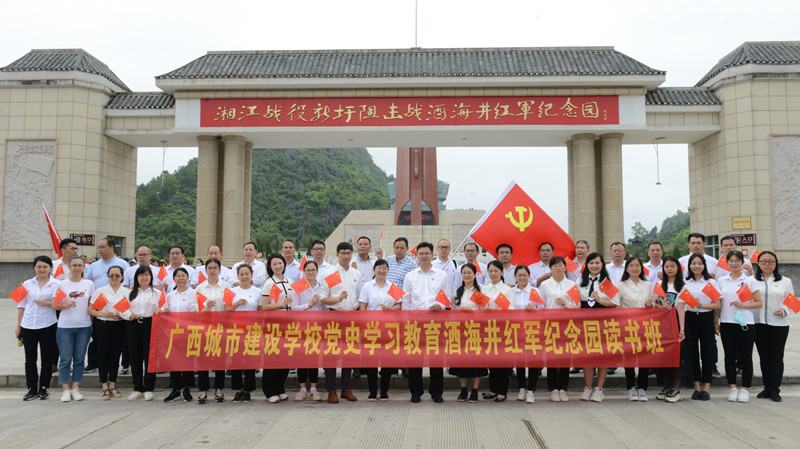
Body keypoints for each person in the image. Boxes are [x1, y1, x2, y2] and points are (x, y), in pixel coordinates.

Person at [403, 242, 450, 403]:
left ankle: (436, 392)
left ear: (432, 255)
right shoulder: (410, 276)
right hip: (415, 322)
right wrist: (406, 321)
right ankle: (416, 392)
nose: (424, 256)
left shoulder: (441, 275)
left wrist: (441, 305)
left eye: (426, 253)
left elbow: (447, 296)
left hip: (435, 322)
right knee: (415, 359)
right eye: (420, 253)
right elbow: (406, 299)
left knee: (436, 358)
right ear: (416, 256)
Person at [716, 250, 763, 403]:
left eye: (737, 261)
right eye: (731, 261)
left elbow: (759, 303)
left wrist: (742, 305)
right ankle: (733, 387)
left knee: (746, 357)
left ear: (743, 263)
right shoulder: (722, 280)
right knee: (729, 357)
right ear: (727, 263)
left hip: (746, 324)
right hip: (727, 322)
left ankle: (745, 389)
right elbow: (719, 303)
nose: (734, 263)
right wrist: (716, 320)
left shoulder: (750, 280)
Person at [321, 242, 362, 403]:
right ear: (337, 254)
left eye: (349, 252)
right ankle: (331, 390)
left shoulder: (356, 274)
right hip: (334, 317)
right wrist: (337, 299)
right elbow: (324, 298)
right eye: (343, 252)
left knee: (349, 354)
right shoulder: (331, 274)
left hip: (352, 317)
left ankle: (346, 388)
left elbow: (359, 297)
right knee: (331, 354)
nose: (346, 256)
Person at [677, 253, 721, 401]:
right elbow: (682, 306)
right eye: (693, 263)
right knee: (693, 354)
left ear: (704, 265)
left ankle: (707, 387)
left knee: (707, 354)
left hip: (706, 318)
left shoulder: (709, 283)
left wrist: (701, 305)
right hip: (690, 319)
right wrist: (682, 328)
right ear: (689, 266)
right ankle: (696, 387)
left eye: (699, 263)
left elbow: (717, 304)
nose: (696, 266)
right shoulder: (685, 283)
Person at [576, 252, 618, 403]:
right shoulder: (580, 281)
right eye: (591, 263)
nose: (594, 266)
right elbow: (575, 302)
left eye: (597, 263)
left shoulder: (606, 283)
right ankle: (588, 387)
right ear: (586, 265)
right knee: (587, 356)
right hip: (585, 324)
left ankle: (599, 389)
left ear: (602, 265)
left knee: (602, 355)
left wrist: (600, 299)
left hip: (603, 323)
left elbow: (615, 302)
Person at [53, 256, 95, 402]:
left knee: (79, 359)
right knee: (65, 359)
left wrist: (92, 325)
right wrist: (65, 305)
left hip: (84, 326)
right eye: (74, 265)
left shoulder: (89, 284)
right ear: (69, 267)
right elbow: (55, 305)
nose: (77, 268)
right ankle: (65, 389)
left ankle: (76, 388)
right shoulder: (61, 284)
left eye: (80, 265)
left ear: (84, 267)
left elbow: (92, 304)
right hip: (65, 326)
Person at [752, 251, 793, 402]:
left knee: (776, 356)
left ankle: (775, 389)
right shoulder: (752, 281)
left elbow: (791, 301)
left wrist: (783, 310)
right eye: (764, 261)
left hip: (779, 324)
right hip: (759, 323)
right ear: (758, 263)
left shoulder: (785, 281)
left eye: (771, 261)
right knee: (764, 357)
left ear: (776, 264)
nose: (767, 264)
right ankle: (766, 388)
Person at [16, 255, 59, 401]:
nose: (42, 269)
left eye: (45, 267)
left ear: (50, 268)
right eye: (39, 267)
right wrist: (18, 327)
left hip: (48, 324)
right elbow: (21, 305)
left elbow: (59, 304)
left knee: (46, 358)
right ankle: (31, 388)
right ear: (34, 267)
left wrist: (46, 303)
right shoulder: (27, 283)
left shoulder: (57, 283)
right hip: (28, 325)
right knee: (30, 359)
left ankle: (44, 387)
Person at [358, 259, 401, 401]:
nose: (382, 270)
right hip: (372, 328)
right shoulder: (367, 286)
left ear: (388, 270)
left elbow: (400, 304)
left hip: (389, 328)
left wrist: (391, 309)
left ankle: (384, 391)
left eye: (384, 268)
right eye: (379, 268)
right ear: (374, 270)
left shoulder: (393, 286)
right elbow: (363, 305)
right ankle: (372, 391)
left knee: (387, 361)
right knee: (372, 361)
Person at [83, 237, 128, 374]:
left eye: (102, 247)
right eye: (98, 247)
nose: (99, 250)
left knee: (120, 340)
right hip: (99, 302)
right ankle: (93, 362)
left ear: (111, 247)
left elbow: (128, 284)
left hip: (118, 302)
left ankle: (124, 364)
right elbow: (88, 282)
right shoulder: (93, 266)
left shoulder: (123, 264)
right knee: (96, 336)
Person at [538, 257, 578, 402]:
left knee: (566, 358)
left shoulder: (572, 284)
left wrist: (566, 303)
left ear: (565, 267)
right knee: (552, 358)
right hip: (550, 325)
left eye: (561, 265)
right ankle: (554, 388)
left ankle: (563, 388)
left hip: (567, 325)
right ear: (551, 268)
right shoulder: (544, 285)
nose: (558, 268)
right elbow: (541, 306)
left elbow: (577, 305)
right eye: (555, 266)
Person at [88, 265, 129, 400]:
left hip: (119, 326)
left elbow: (129, 311)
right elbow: (92, 310)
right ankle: (104, 386)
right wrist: (103, 313)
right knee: (102, 355)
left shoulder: (126, 292)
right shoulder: (101, 291)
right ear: (108, 276)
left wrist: (120, 315)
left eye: (117, 275)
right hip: (103, 325)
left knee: (115, 355)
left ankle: (113, 385)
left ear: (122, 277)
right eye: (111, 275)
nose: (114, 278)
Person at [618, 256, 656, 402]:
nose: (634, 268)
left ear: (641, 268)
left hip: (645, 326)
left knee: (644, 357)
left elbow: (654, 303)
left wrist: (650, 305)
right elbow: (616, 304)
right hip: (627, 326)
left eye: (637, 265)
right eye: (631, 265)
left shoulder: (648, 285)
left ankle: (642, 387)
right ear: (627, 269)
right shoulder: (620, 285)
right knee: (629, 357)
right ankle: (631, 387)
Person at [450, 263, 489, 403]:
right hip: (460, 331)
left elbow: (484, 312)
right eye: (464, 273)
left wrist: (471, 312)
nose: (466, 275)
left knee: (475, 363)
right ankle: (463, 389)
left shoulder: (479, 292)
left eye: (469, 272)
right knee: (461, 362)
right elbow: (452, 311)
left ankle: (475, 390)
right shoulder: (457, 292)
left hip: (475, 330)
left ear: (475, 274)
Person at [195, 258, 231, 404]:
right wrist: (205, 306)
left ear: (220, 270)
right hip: (205, 327)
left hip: (221, 327)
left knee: (219, 359)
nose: (212, 270)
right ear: (205, 270)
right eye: (209, 268)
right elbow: (193, 308)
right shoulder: (200, 288)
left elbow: (229, 307)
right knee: (203, 359)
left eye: (215, 267)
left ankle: (219, 389)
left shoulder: (226, 286)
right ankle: (203, 390)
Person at [122, 265, 159, 401]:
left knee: (149, 356)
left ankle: (149, 387)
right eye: (141, 275)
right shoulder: (129, 293)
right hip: (133, 325)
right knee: (134, 356)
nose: (144, 278)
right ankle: (137, 387)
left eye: (146, 275)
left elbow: (163, 308)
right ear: (136, 278)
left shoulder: (157, 293)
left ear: (151, 277)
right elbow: (122, 309)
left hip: (150, 324)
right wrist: (128, 315)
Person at [260, 254, 293, 403]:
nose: (278, 266)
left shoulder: (289, 281)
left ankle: (280, 388)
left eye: (280, 263)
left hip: (287, 324)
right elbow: (265, 306)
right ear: (270, 267)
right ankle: (269, 391)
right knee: (272, 357)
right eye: (275, 264)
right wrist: (281, 304)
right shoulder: (269, 283)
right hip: (273, 324)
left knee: (285, 358)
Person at [480, 260, 515, 402]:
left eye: (496, 271)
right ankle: (493, 390)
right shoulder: (484, 289)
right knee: (491, 361)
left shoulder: (507, 290)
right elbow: (481, 308)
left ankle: (502, 391)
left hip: (502, 329)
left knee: (502, 361)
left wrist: (497, 311)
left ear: (501, 272)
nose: (493, 273)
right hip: (488, 329)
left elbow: (511, 309)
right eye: (491, 271)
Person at [161, 267, 197, 403]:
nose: (181, 278)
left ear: (188, 278)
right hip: (173, 333)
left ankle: (186, 389)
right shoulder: (170, 295)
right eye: (178, 276)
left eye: (184, 275)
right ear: (174, 279)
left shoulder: (194, 293)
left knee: (187, 361)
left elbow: (198, 311)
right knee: (174, 361)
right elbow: (164, 310)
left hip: (188, 332)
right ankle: (175, 389)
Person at [290, 260, 324, 402]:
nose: (310, 272)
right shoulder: (298, 286)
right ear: (304, 271)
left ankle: (314, 389)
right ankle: (303, 389)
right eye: (308, 270)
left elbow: (325, 307)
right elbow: (293, 307)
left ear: (317, 271)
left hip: (317, 327)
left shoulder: (321, 287)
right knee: (302, 358)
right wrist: (308, 305)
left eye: (313, 270)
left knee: (314, 358)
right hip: (302, 327)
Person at [227, 264, 262, 402]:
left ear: (251, 275)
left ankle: (248, 390)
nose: (244, 277)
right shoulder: (232, 291)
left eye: (247, 274)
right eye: (241, 274)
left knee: (250, 361)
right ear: (238, 276)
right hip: (235, 329)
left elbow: (260, 312)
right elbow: (226, 311)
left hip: (251, 330)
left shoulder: (257, 291)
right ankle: (238, 389)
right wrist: (236, 304)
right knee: (236, 360)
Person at [654, 256, 686, 403]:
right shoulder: (659, 285)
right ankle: (667, 386)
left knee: (677, 357)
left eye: (672, 266)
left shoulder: (683, 287)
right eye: (667, 266)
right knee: (664, 357)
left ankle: (676, 388)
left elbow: (681, 309)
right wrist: (659, 306)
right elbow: (654, 304)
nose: (669, 269)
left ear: (678, 268)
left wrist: (682, 329)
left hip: (676, 325)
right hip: (661, 327)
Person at [511, 265, 544, 403]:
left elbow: (542, 310)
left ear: (529, 276)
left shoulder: (535, 291)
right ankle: (522, 388)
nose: (522, 278)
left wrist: (533, 311)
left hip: (532, 330)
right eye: (519, 275)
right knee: (519, 361)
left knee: (532, 361)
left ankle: (531, 390)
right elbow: (507, 309)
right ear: (515, 277)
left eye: (525, 275)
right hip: (516, 330)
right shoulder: (511, 292)